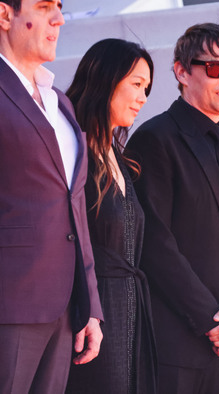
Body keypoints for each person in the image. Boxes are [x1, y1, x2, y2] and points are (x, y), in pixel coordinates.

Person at [125, 23, 219, 393]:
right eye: (216, 68)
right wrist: (213, 321)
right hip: (178, 344)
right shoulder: (154, 138)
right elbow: (154, 243)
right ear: (182, 71)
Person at [0, 1, 103, 392]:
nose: (59, 19)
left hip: (63, 309)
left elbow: (74, 208)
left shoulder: (61, 102)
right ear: (5, 16)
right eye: (44, 7)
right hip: (10, 304)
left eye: (60, 8)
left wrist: (90, 306)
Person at [64, 38, 157, 394]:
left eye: (146, 88)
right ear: (106, 78)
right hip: (91, 313)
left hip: (129, 308)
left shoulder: (119, 158)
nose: (143, 97)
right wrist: (86, 312)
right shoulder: (73, 148)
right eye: (136, 84)